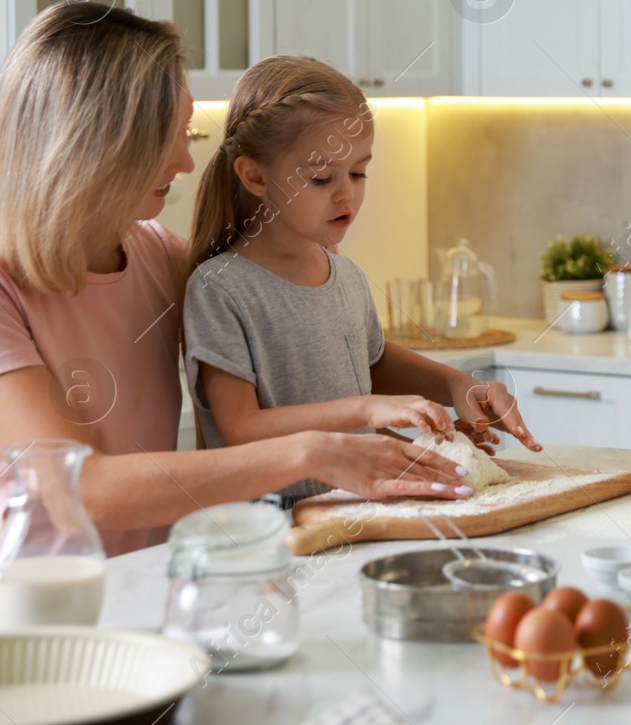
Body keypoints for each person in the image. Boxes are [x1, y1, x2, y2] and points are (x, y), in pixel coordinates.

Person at [0, 3, 503, 606]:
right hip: (4, 617)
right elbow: (79, 489)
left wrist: (448, 386)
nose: (187, 162)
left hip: (142, 593)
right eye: (169, 139)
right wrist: (322, 449)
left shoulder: (157, 255)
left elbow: (303, 318)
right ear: (98, 140)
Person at [182, 55, 539, 505]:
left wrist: (455, 386)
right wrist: (367, 408)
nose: (346, 193)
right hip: (271, 531)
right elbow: (240, 427)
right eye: (321, 177)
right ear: (255, 175)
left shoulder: (345, 274)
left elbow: (369, 362)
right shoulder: (222, 289)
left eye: (358, 172)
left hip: (352, 511)